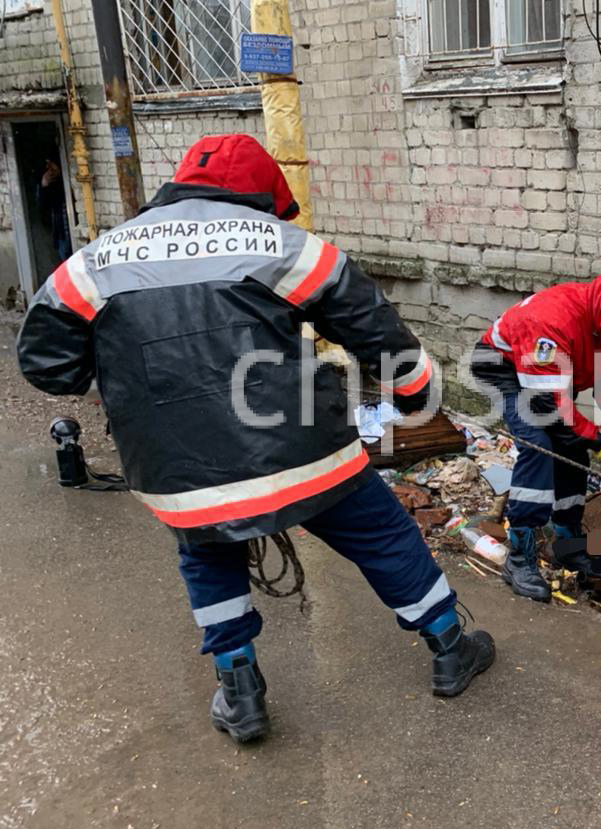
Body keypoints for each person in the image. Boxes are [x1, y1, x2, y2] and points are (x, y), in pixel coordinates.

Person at [17, 134, 494, 744]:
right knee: (379, 532)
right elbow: (374, 329)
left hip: (176, 471)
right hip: (300, 452)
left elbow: (46, 364)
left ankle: (240, 692)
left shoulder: (94, 261)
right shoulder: (281, 244)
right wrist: (418, 395)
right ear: (263, 194)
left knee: (208, 551)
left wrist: (132, 385)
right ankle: (450, 646)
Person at [468, 268, 601, 603]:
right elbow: (549, 407)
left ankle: (567, 541)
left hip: (551, 377)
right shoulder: (549, 322)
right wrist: (599, 441)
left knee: (574, 451)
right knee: (540, 447)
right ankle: (520, 555)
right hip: (503, 367)